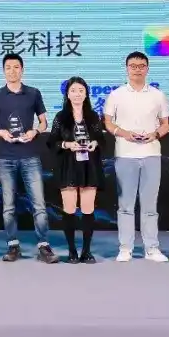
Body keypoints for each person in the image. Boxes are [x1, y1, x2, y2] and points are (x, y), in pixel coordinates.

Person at [0, 53, 59, 264]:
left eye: (16, 67)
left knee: (39, 204)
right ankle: (13, 245)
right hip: (5, 157)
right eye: (8, 67)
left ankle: (43, 246)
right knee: (8, 205)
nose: (12, 71)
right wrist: (1, 132)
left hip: (30, 156)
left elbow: (44, 122)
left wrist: (35, 131)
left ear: (22, 69)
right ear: (3, 71)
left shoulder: (33, 93)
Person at [103, 51, 169, 263]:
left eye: (141, 66)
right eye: (133, 66)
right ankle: (126, 248)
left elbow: (166, 124)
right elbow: (107, 122)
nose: (137, 70)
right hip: (125, 154)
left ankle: (152, 248)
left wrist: (155, 134)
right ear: (127, 68)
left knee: (150, 206)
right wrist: (124, 133)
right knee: (125, 205)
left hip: (151, 154)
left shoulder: (158, 95)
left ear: (147, 69)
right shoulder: (116, 95)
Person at [47, 77, 105, 264]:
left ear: (86, 93)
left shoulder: (93, 116)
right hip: (68, 165)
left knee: (88, 209)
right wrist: (67, 144)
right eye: (73, 90)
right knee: (69, 209)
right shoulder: (61, 117)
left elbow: (101, 139)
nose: (77, 94)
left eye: (81, 90)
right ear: (67, 94)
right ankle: (72, 251)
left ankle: (86, 251)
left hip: (89, 166)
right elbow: (52, 142)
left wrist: (94, 143)